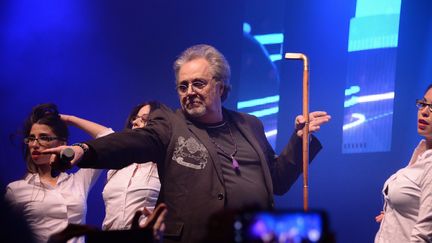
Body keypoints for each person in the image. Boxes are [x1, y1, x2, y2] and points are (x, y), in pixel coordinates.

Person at [45, 44, 331, 243]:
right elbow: (133, 142)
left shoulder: (250, 124)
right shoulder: (170, 123)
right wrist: (84, 151)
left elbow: (278, 181)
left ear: (220, 86)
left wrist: (299, 140)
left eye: (198, 84)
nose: (190, 92)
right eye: (183, 86)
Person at [5, 103, 106, 243]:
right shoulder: (16, 190)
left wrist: (70, 119)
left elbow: (107, 136)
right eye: (31, 138)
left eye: (44, 137)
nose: (35, 144)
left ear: (62, 143)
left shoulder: (78, 181)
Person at [61, 102, 161, 230]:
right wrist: (68, 119)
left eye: (144, 119)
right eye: (134, 118)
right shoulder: (119, 163)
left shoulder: (163, 165)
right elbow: (107, 138)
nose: (135, 122)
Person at [374, 85, 432, 242]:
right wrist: (394, 214)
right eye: (424, 103)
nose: (425, 111)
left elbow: (423, 236)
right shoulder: (421, 153)